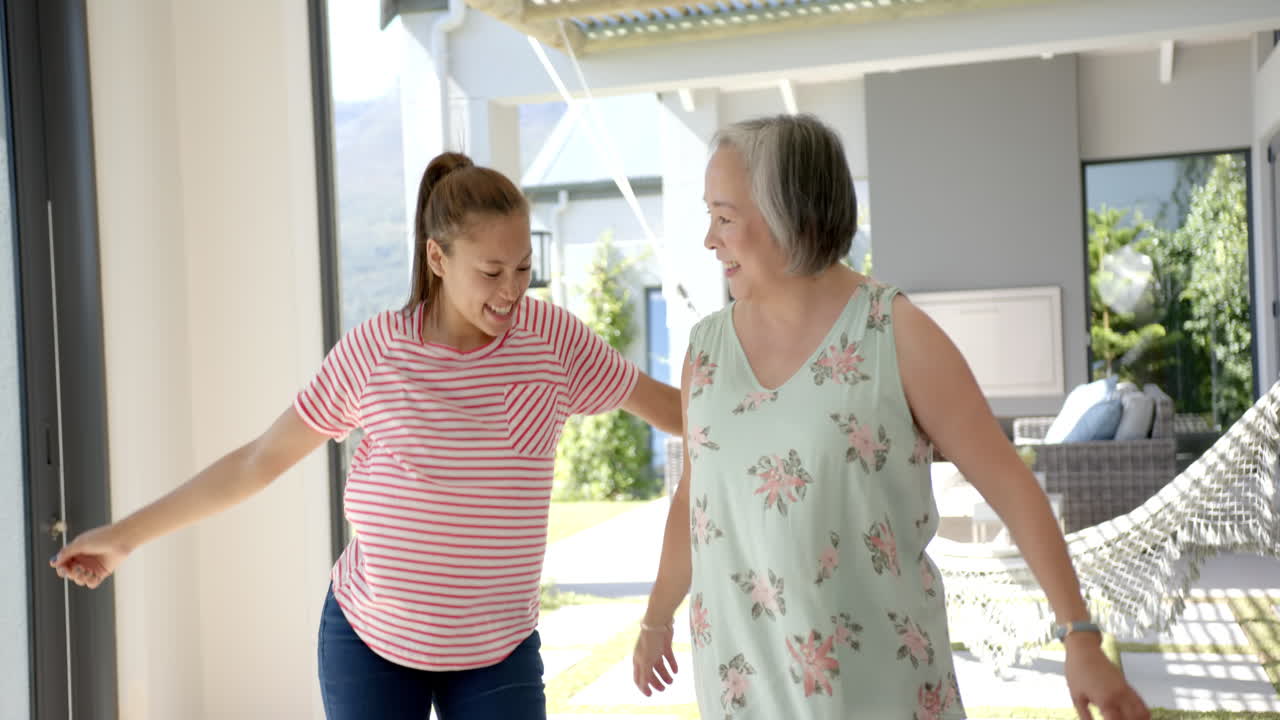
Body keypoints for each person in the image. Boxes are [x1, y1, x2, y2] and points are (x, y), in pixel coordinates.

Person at [51, 152, 682, 720]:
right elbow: (258, 461)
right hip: (371, 642)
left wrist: (761, 393)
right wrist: (124, 538)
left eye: (523, 267)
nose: (512, 290)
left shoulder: (552, 341)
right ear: (438, 258)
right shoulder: (378, 351)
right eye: (491, 272)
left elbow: (675, 412)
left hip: (498, 649)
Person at [631, 115, 1150, 720]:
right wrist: (656, 616)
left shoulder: (893, 334)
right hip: (741, 688)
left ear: (789, 215)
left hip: (879, 691)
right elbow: (697, 501)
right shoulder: (706, 351)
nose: (709, 240)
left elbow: (1008, 483)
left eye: (724, 217)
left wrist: (1079, 635)